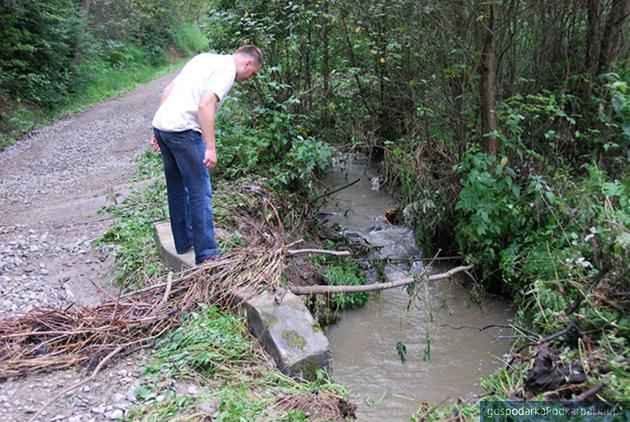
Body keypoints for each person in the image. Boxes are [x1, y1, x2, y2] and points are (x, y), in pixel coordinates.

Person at [151, 45, 263, 264]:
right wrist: (210, 147)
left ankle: (183, 243)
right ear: (247, 63)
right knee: (200, 192)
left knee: (176, 188)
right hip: (184, 132)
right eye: (253, 73)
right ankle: (208, 256)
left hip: (164, 127)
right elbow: (205, 104)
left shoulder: (204, 59)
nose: (250, 78)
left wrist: (158, 127)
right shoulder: (227, 70)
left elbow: (168, 90)